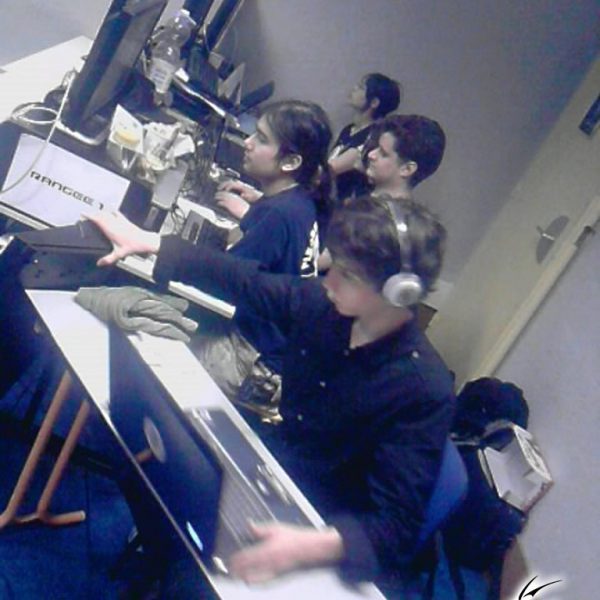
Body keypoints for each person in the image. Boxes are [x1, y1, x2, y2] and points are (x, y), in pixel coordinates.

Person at [88, 195, 455, 592]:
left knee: (191, 578)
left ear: (399, 292)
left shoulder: (422, 389)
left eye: (348, 275)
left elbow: (395, 528)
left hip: (326, 525)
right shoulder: (324, 307)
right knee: (161, 472)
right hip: (278, 470)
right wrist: (152, 243)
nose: (329, 281)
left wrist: (307, 546)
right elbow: (245, 280)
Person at [190, 100, 333, 415]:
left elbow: (223, 280)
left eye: (262, 139)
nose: (248, 142)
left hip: (251, 361)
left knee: (155, 341)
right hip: (272, 358)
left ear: (291, 162)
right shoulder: (298, 202)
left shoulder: (279, 213)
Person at [318, 113, 446, 273]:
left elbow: (318, 263)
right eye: (376, 148)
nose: (372, 155)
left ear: (407, 169)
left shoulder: (380, 221)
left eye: (383, 154)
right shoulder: (365, 197)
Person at [329, 73, 401, 203]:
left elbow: (331, 168)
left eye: (361, 87)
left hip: (353, 203)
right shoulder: (348, 129)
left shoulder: (374, 136)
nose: (354, 89)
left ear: (374, 102)